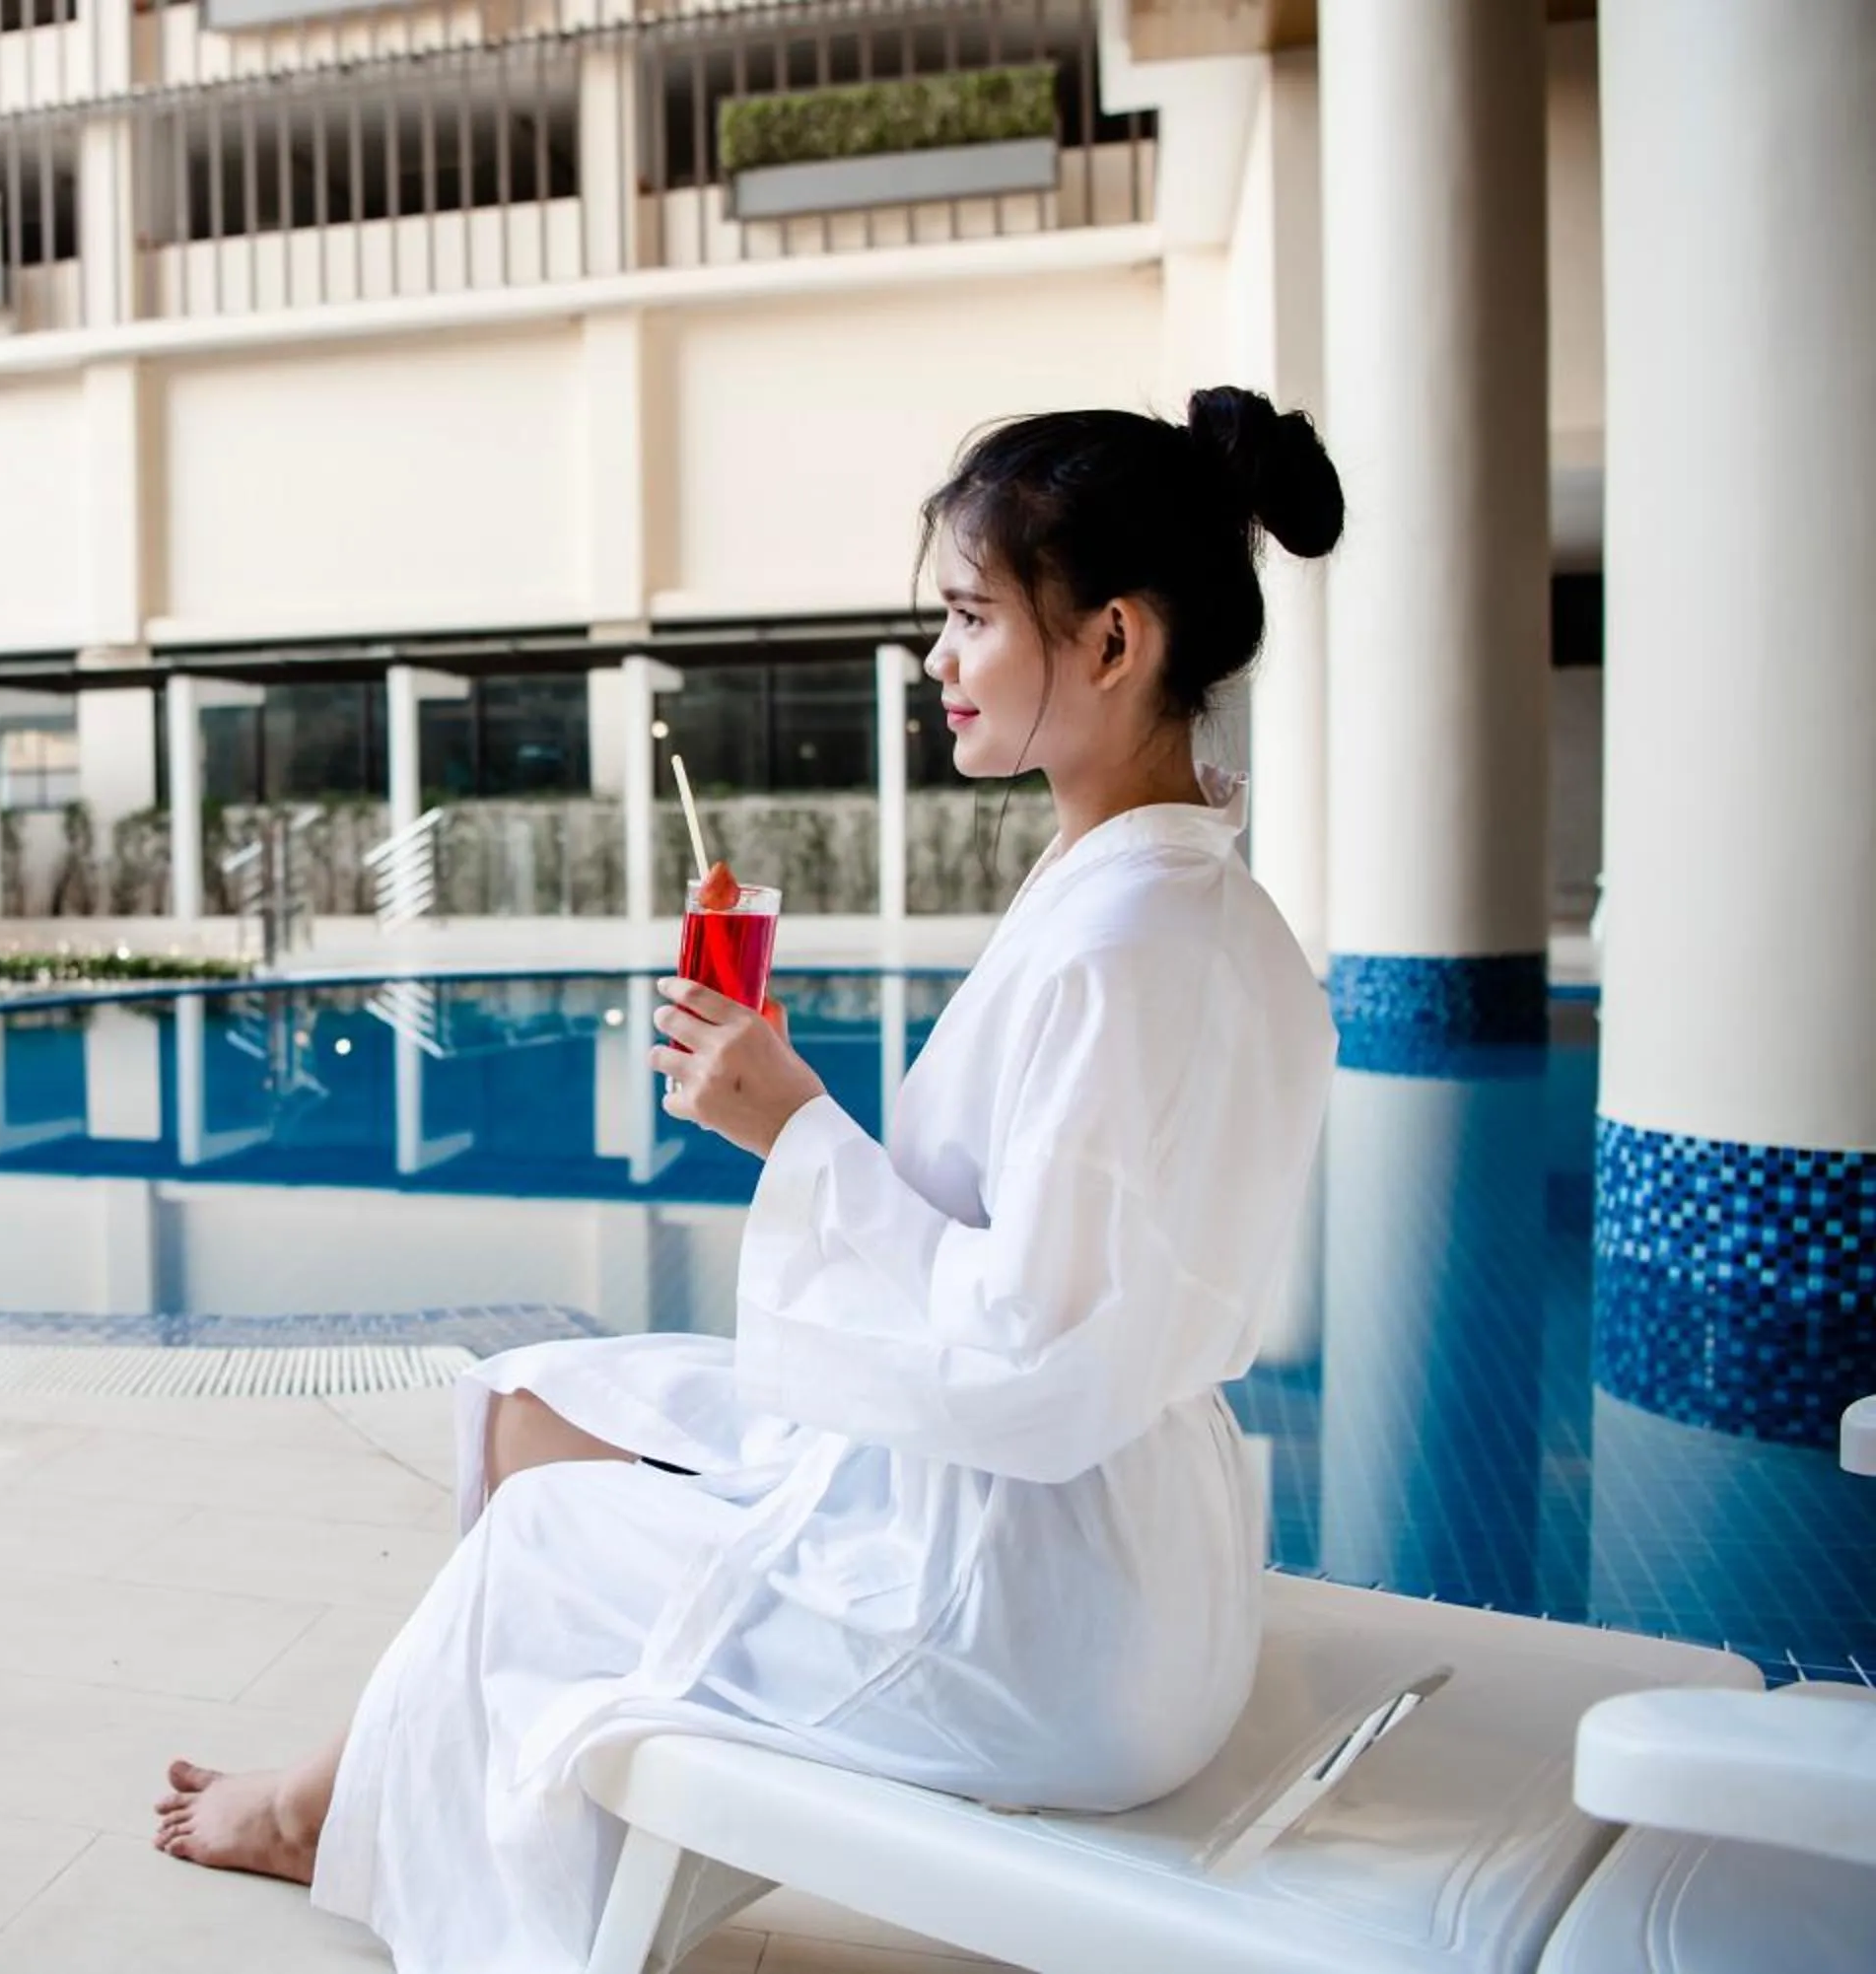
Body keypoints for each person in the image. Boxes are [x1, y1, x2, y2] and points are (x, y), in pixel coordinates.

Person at [152, 387, 1350, 1974]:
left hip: (1038, 1619)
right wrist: (793, 1121)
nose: (937, 660)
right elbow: (1056, 1291)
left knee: (538, 1542)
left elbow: (1034, 1350)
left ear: (1114, 641)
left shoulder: (1128, 952)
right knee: (525, 1410)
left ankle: (333, 1810)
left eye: (971, 616)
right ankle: (362, 1792)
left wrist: (797, 1130)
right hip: (1102, 1546)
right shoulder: (1185, 909)